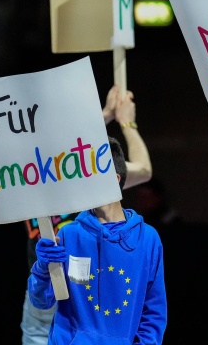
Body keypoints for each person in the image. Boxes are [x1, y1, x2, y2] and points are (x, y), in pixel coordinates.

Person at [21, 84, 153, 344]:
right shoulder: (79, 169)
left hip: (77, 293)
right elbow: (144, 170)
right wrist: (126, 123)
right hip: (48, 286)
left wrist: (106, 115)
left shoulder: (29, 168)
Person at [27, 136, 167, 344]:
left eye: (90, 172)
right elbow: (41, 301)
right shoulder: (68, 235)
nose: (83, 180)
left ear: (114, 179)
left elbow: (154, 313)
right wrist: (42, 268)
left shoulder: (148, 239)